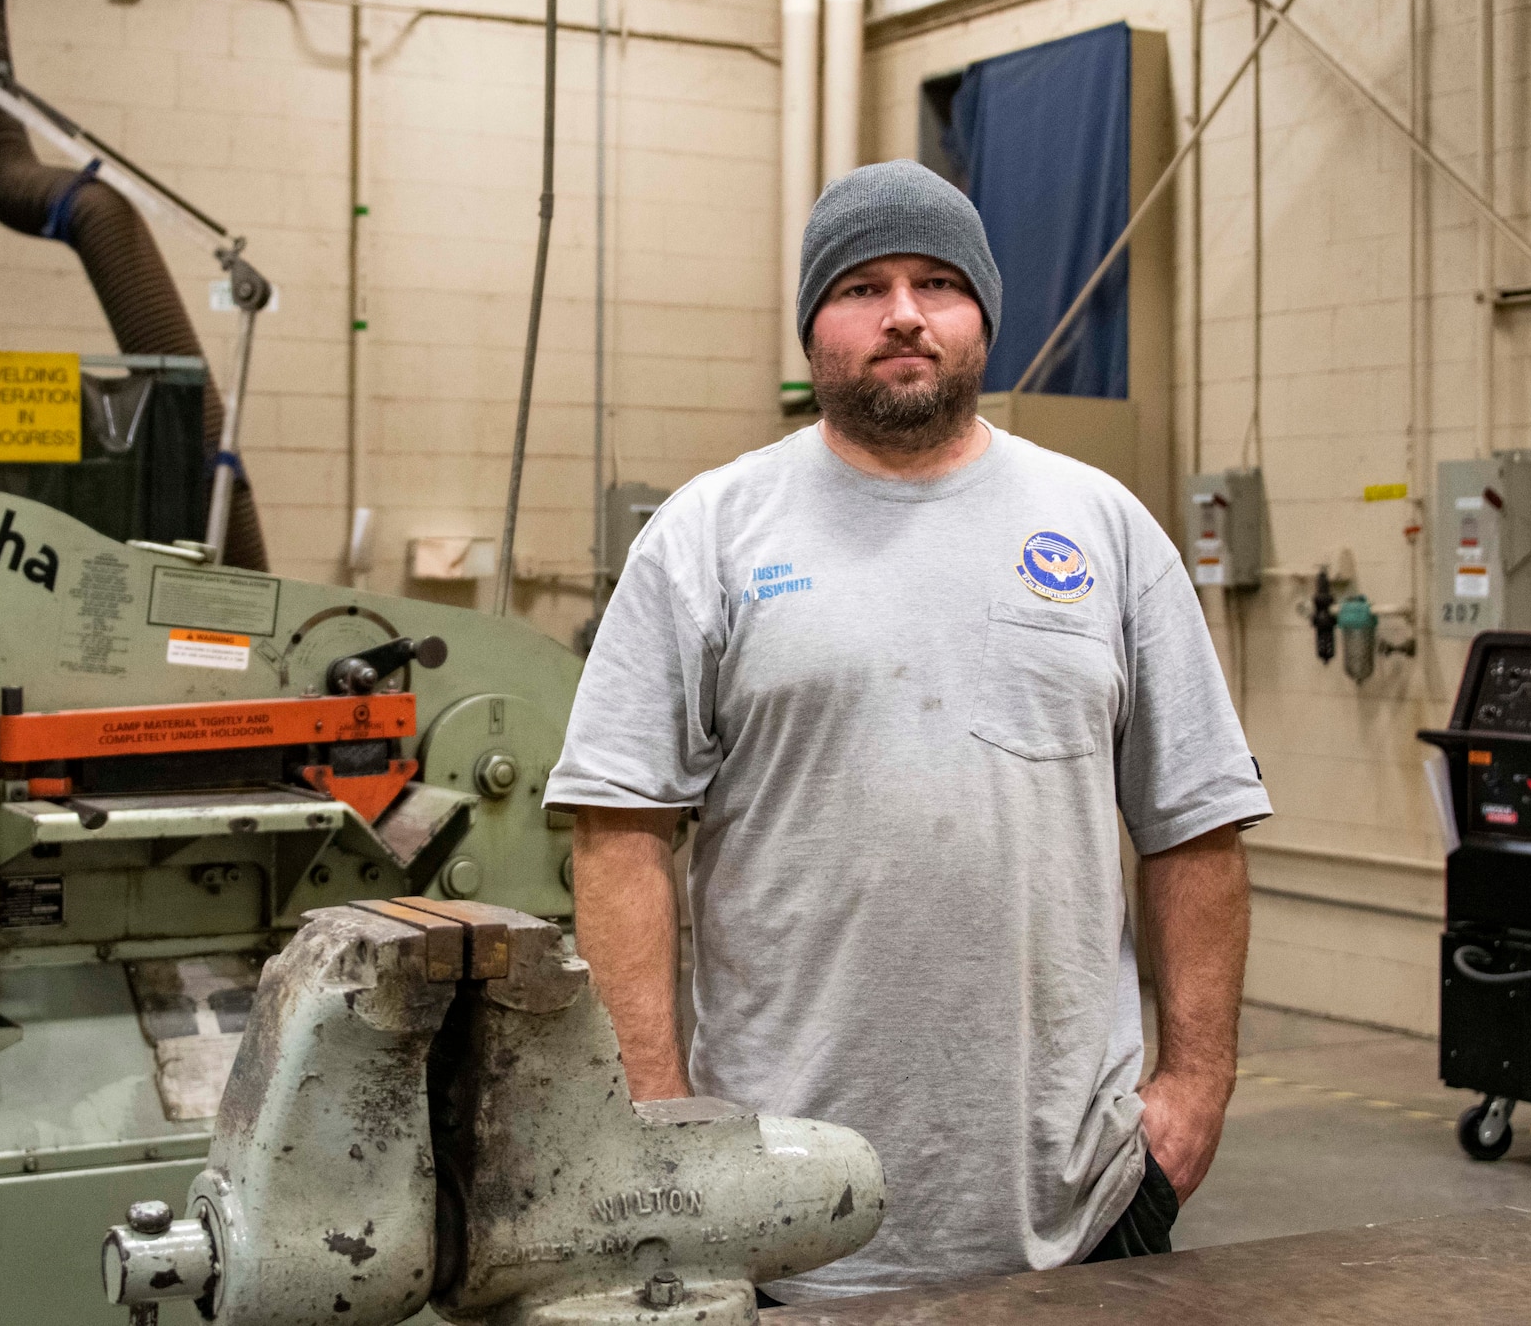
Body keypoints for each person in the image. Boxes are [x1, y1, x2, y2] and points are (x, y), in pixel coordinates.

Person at [542, 160, 1271, 1300]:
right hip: (776, 1203)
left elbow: (1195, 822)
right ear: (810, 327)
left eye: (936, 283)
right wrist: (657, 1114)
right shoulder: (708, 535)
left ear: (979, 316)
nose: (900, 314)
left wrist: (1195, 1085)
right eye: (859, 286)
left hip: (1079, 1196)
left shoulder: (1102, 528)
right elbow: (617, 830)